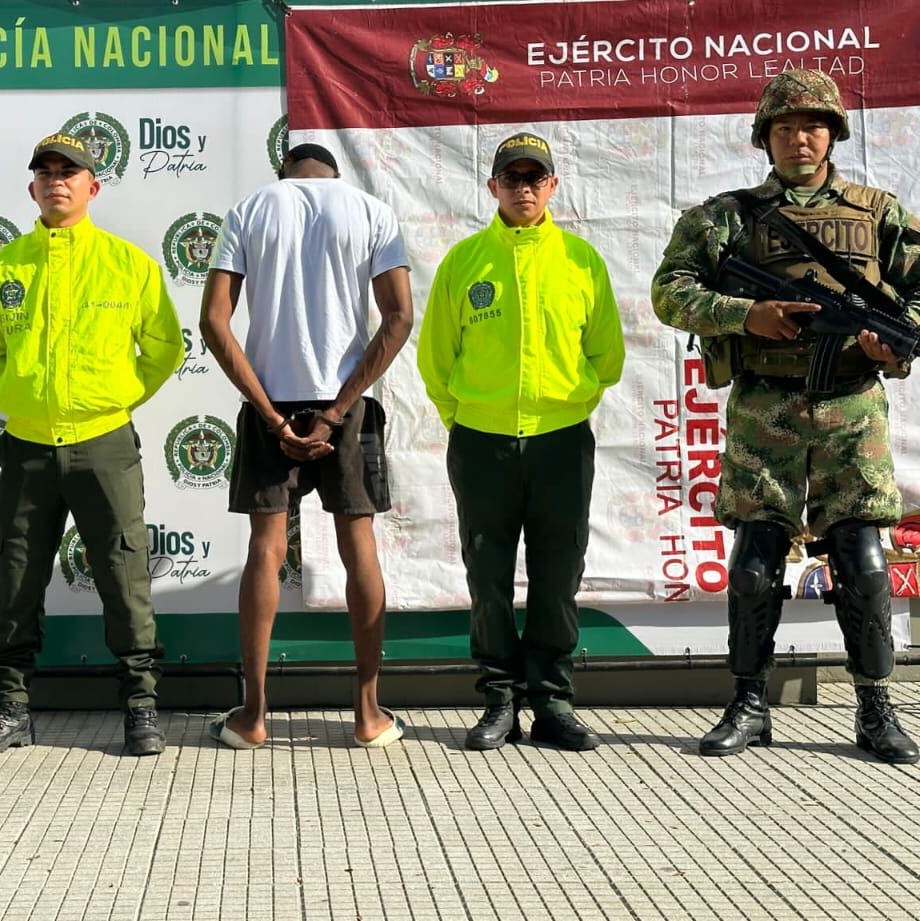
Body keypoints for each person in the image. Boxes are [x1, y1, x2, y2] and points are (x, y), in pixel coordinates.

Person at [651, 69, 920, 764]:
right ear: (764, 138)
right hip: (764, 408)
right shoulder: (728, 216)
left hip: (851, 409)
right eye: (784, 128)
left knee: (861, 562)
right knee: (754, 563)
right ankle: (747, 702)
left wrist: (889, 338)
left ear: (834, 134)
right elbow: (670, 289)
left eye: (813, 126)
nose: (799, 139)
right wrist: (749, 314)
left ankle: (874, 706)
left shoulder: (877, 212)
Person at [0, 133, 183, 757]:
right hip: (28, 445)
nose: (57, 180)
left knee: (123, 571)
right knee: (13, 575)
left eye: (70, 172)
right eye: (45, 172)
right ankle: (10, 707)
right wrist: (16, 394)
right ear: (31, 187)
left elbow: (165, 347)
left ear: (94, 186)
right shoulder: (5, 266)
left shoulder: (128, 263)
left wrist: (115, 397)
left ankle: (140, 706)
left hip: (104, 443)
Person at [200, 143, 413, 749]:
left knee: (265, 552)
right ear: (333, 175)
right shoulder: (370, 211)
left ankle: (252, 717)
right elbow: (398, 318)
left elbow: (214, 320)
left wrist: (269, 415)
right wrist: (339, 411)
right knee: (359, 548)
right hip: (344, 407)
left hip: (271, 403)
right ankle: (369, 715)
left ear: (284, 174)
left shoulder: (251, 209)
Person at [418, 132, 625, 752]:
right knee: (487, 572)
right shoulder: (465, 262)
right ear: (493, 187)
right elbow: (436, 359)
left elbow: (606, 357)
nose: (525, 188)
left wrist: (566, 405)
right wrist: (468, 417)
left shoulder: (581, 261)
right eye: (513, 178)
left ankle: (553, 701)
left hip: (561, 441)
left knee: (558, 572)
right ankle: (499, 698)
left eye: (537, 178)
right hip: (482, 443)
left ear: (554, 186)